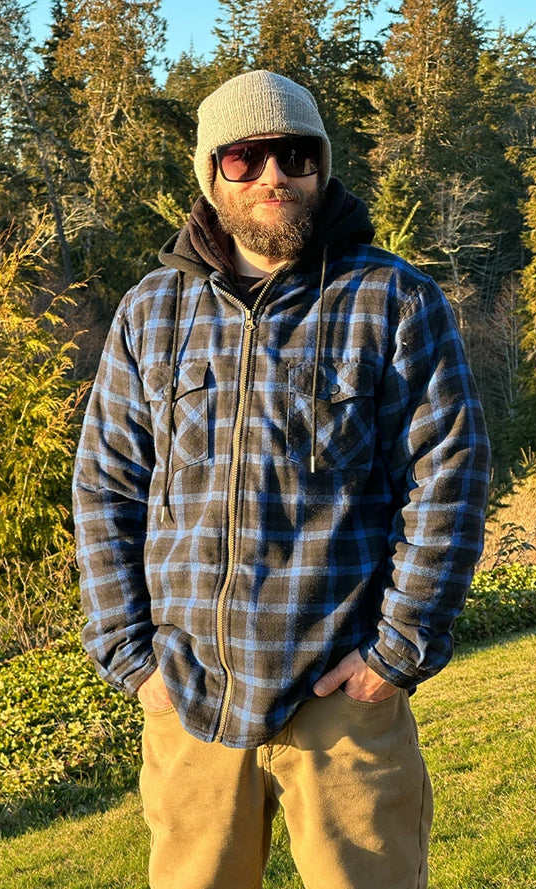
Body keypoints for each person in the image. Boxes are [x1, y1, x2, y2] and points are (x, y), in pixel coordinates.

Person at [72, 69, 490, 889]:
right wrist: (131, 657)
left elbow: (449, 481)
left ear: (321, 167)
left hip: (343, 701)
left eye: (296, 154)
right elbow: (105, 486)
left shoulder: (394, 300)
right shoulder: (151, 311)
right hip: (188, 700)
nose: (274, 175)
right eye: (246, 157)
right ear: (210, 171)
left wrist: (394, 653)